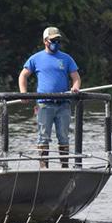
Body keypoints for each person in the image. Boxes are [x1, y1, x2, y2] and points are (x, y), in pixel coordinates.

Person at [18, 26, 81, 168]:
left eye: (58, 40)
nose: (56, 43)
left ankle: (64, 167)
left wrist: (75, 87)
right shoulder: (36, 58)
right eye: (53, 40)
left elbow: (76, 77)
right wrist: (23, 92)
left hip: (63, 104)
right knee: (43, 136)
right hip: (44, 104)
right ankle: (43, 167)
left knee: (63, 136)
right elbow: (23, 75)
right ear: (45, 41)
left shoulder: (66, 59)